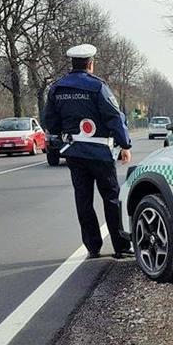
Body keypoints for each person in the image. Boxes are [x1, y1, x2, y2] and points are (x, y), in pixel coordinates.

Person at [43, 43, 134, 259]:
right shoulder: (97, 87)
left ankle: (93, 247)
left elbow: (50, 121)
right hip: (100, 152)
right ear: (90, 64)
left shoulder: (57, 88)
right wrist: (125, 145)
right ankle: (120, 247)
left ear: (73, 63)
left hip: (74, 152)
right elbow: (114, 117)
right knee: (111, 198)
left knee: (83, 200)